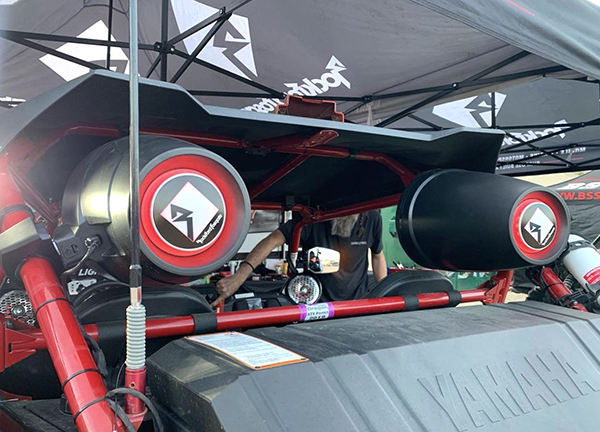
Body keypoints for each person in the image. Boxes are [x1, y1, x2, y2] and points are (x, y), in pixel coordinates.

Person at [211, 211, 387, 306]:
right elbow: (272, 240)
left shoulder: (372, 219)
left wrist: (385, 294)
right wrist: (239, 276)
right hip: (315, 305)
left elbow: (378, 257)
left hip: (357, 304)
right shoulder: (313, 217)